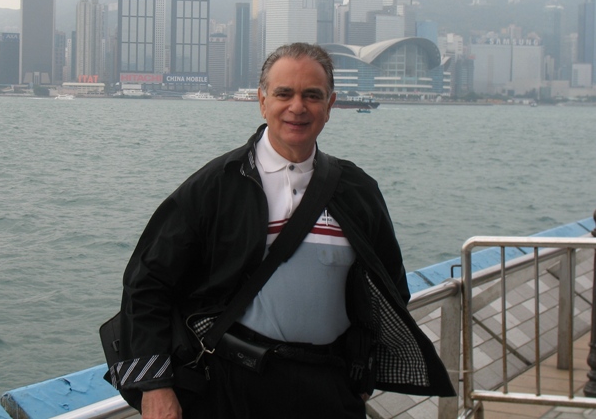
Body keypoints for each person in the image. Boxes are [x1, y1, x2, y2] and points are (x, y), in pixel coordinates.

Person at [108, 43, 455, 419]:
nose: (297, 107)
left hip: (329, 386)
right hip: (228, 385)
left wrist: (363, 365)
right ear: (262, 101)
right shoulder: (216, 186)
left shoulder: (357, 191)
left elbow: (389, 288)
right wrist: (155, 387)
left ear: (330, 105)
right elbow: (147, 283)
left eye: (312, 95)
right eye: (284, 94)